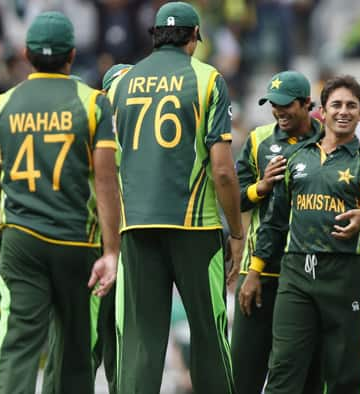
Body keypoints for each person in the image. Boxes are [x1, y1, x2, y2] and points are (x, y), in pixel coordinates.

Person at [0, 11, 120, 394]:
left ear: (25, 55)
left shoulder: (3, 105)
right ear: (72, 55)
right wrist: (112, 251)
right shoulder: (92, 103)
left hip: (22, 239)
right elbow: (106, 181)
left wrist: (0, 226)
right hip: (76, 241)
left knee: (17, 345)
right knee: (75, 349)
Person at [107, 2, 244, 393]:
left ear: (155, 37)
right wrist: (235, 230)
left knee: (140, 340)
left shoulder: (119, 82)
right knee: (209, 334)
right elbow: (221, 169)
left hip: (135, 226)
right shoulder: (206, 79)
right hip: (194, 226)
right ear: (194, 38)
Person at [248, 75, 360, 394]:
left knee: (343, 375)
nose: (343, 111)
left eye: (352, 105)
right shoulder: (295, 159)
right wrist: (254, 270)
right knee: (283, 368)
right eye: (336, 104)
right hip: (296, 275)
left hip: (345, 274)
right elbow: (275, 221)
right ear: (322, 110)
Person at [231, 70, 323, 393]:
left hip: (305, 274)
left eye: (286, 105)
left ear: (307, 104)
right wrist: (261, 186)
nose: (278, 111)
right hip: (259, 274)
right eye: (273, 104)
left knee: (300, 377)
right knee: (243, 374)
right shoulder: (259, 140)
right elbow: (234, 197)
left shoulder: (327, 142)